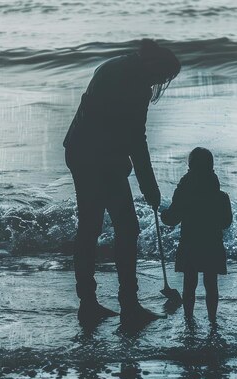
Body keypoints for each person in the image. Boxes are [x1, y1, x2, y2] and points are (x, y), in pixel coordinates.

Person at [63, 39, 181, 327]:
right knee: (124, 227)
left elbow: (126, 136)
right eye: (163, 76)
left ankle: (90, 304)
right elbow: (135, 140)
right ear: (154, 66)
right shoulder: (135, 83)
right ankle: (127, 305)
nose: (161, 82)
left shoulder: (118, 67)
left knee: (91, 228)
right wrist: (150, 188)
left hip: (84, 153)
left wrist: (144, 184)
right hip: (96, 160)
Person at [160, 147, 232, 324]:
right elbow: (226, 223)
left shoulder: (185, 193)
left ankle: (188, 318)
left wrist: (163, 215)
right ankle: (212, 319)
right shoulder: (221, 197)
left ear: (190, 168)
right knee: (211, 284)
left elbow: (173, 219)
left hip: (190, 245)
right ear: (211, 168)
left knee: (189, 284)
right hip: (212, 246)